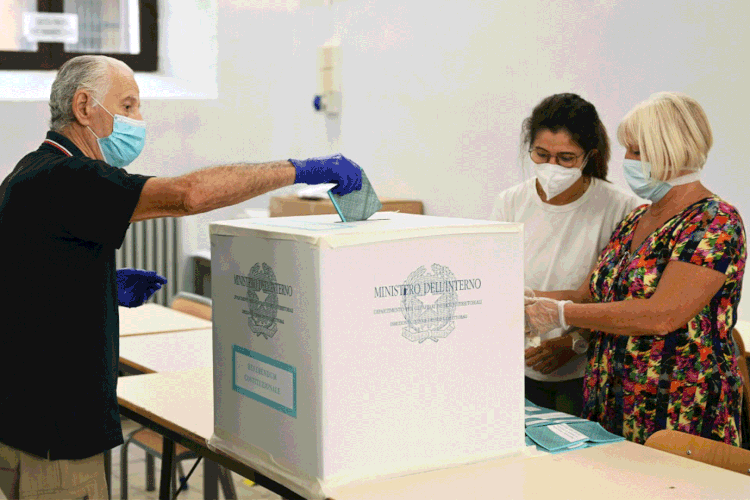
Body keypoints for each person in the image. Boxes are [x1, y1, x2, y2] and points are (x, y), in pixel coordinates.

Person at [0, 55, 362, 499]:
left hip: (21, 420)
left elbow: (21, 278)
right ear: (83, 107)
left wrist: (99, 287)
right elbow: (188, 196)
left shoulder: (28, 172)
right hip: (58, 439)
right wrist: (302, 170)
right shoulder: (71, 176)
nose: (138, 120)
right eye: (129, 106)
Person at [524, 92, 746, 446]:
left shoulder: (714, 221)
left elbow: (661, 315)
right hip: (608, 402)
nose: (627, 161)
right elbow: (588, 295)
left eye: (638, 151)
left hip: (676, 408)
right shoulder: (636, 219)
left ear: (673, 151)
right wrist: (526, 299)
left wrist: (562, 314)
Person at [492, 93, 642, 416]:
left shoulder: (620, 209)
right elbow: (495, 284)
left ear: (589, 156)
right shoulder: (510, 203)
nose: (552, 167)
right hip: (517, 366)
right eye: (542, 154)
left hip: (584, 373)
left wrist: (573, 342)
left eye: (565, 158)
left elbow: (620, 299)